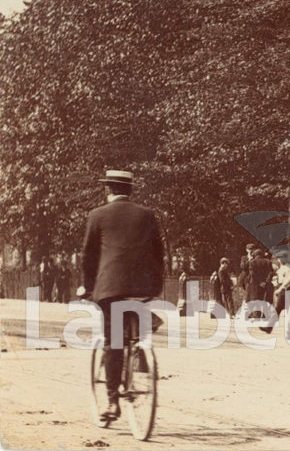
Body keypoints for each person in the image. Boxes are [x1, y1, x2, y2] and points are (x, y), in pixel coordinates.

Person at [82, 170, 164, 422]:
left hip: (111, 288)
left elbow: (89, 257)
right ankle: (141, 349)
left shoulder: (97, 215)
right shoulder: (147, 215)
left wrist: (87, 288)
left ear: (108, 190)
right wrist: (155, 286)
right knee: (134, 325)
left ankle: (112, 401)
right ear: (130, 191)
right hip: (143, 288)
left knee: (113, 342)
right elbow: (159, 253)